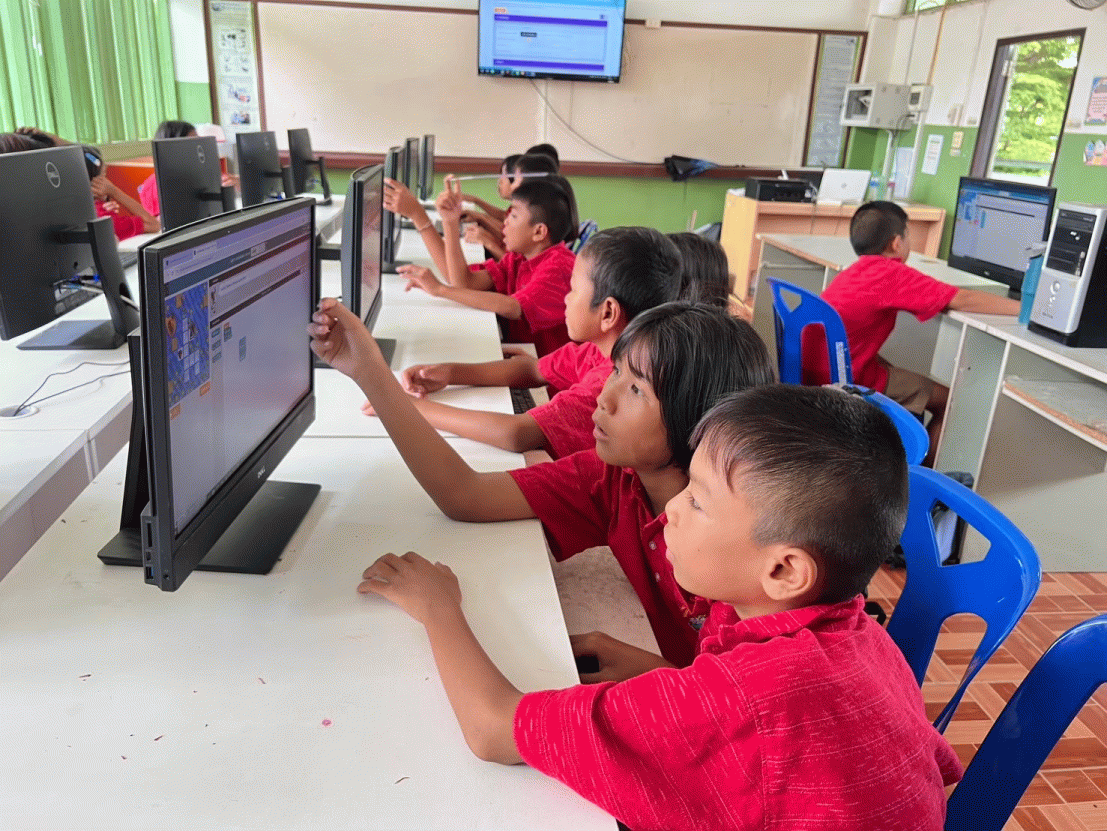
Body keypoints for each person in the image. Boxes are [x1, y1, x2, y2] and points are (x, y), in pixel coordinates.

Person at [354, 384, 963, 830]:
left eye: (697, 501)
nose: (670, 508)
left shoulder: (739, 697)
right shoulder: (856, 631)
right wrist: (664, 674)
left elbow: (492, 729)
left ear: (783, 570)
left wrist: (438, 607)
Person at [310, 300, 775, 667]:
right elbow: (465, 495)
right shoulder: (616, 480)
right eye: (615, 372)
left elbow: (745, 718)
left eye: (636, 389)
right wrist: (369, 372)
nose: (605, 398)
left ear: (701, 421)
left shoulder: (743, 551)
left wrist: (659, 676)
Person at [370, 227, 681, 459]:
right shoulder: (600, 350)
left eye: (573, 290)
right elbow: (532, 370)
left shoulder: (612, 383)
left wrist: (408, 408)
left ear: (608, 313)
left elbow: (516, 434)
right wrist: (450, 373)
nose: (566, 298)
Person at [806, 200, 1019, 463]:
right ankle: (922, 480)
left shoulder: (855, 272)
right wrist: (1024, 311)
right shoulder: (889, 273)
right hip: (845, 378)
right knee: (950, 399)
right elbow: (961, 299)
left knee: (895, 369)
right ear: (897, 243)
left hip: (818, 369)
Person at [400, 176, 578, 357]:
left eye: (514, 216)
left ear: (539, 232)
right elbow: (464, 283)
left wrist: (440, 290)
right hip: (524, 356)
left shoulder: (560, 266)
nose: (505, 222)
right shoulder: (519, 258)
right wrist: (450, 222)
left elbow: (513, 307)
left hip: (547, 370)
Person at [10, 127, 158, 239]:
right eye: (104, 176)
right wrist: (114, 191)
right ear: (98, 182)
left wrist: (51, 137)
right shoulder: (102, 219)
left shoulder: (64, 213)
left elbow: (79, 155)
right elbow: (153, 224)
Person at [138, 120, 238, 219]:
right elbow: (158, 223)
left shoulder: (200, 171)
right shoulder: (153, 188)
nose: (198, 148)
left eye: (198, 141)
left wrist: (237, 184)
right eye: (192, 143)